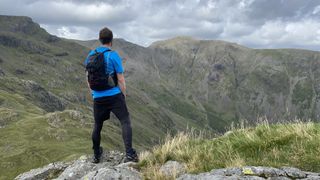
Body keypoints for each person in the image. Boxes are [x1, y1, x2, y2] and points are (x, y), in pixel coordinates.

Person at [84, 27, 138, 163]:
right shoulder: (113, 55)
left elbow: (87, 76)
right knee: (125, 121)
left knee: (97, 125)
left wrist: (93, 92)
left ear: (100, 39)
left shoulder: (90, 55)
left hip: (98, 96)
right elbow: (120, 79)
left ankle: (96, 155)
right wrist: (123, 95)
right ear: (111, 40)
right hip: (114, 95)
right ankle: (129, 154)